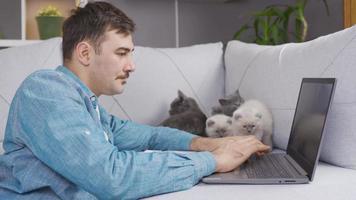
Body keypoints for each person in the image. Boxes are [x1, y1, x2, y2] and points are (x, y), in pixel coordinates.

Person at [0, 2, 270, 199]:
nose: (131, 66)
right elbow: (112, 177)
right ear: (84, 53)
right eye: (121, 53)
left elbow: (148, 136)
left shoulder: (88, 107)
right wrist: (214, 161)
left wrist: (206, 144)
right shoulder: (45, 90)